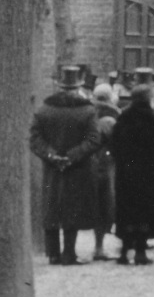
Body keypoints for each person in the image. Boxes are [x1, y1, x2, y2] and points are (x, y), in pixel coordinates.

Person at [29, 65, 103, 266]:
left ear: (59, 86)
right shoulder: (87, 111)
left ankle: (53, 253)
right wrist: (71, 156)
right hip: (78, 167)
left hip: (51, 167)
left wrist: (52, 155)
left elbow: (34, 139)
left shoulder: (44, 110)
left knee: (51, 207)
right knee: (73, 208)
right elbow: (94, 139)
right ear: (78, 87)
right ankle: (69, 253)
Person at [110, 84, 154, 265]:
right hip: (150, 175)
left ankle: (125, 251)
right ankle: (140, 251)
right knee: (145, 212)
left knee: (126, 212)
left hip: (126, 174)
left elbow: (114, 145)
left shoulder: (123, 118)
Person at [89, 82, 121, 261]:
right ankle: (100, 248)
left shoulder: (89, 114)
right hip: (107, 165)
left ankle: (98, 246)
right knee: (105, 206)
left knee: (98, 206)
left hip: (92, 163)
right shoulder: (111, 119)